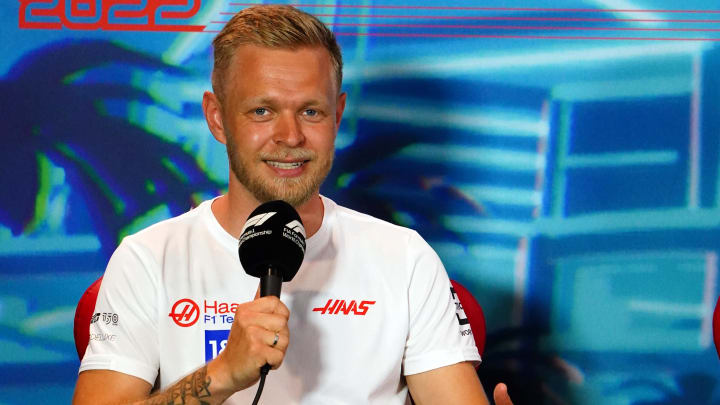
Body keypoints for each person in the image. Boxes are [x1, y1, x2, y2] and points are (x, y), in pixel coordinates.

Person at [72, 5, 514, 405]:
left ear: (337, 116)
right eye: (262, 111)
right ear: (217, 118)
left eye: (311, 112)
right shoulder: (148, 258)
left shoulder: (405, 257)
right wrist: (223, 374)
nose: (290, 136)